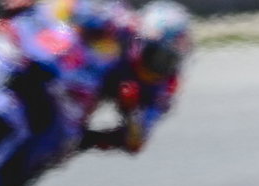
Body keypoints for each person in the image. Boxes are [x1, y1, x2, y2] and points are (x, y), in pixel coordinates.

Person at [80, 0, 191, 154]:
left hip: (112, 94)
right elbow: (79, 8)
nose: (162, 65)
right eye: (158, 55)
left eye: (171, 60)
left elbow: (137, 139)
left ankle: (77, 138)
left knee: (134, 143)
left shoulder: (166, 87)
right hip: (87, 68)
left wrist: (131, 112)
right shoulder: (124, 26)